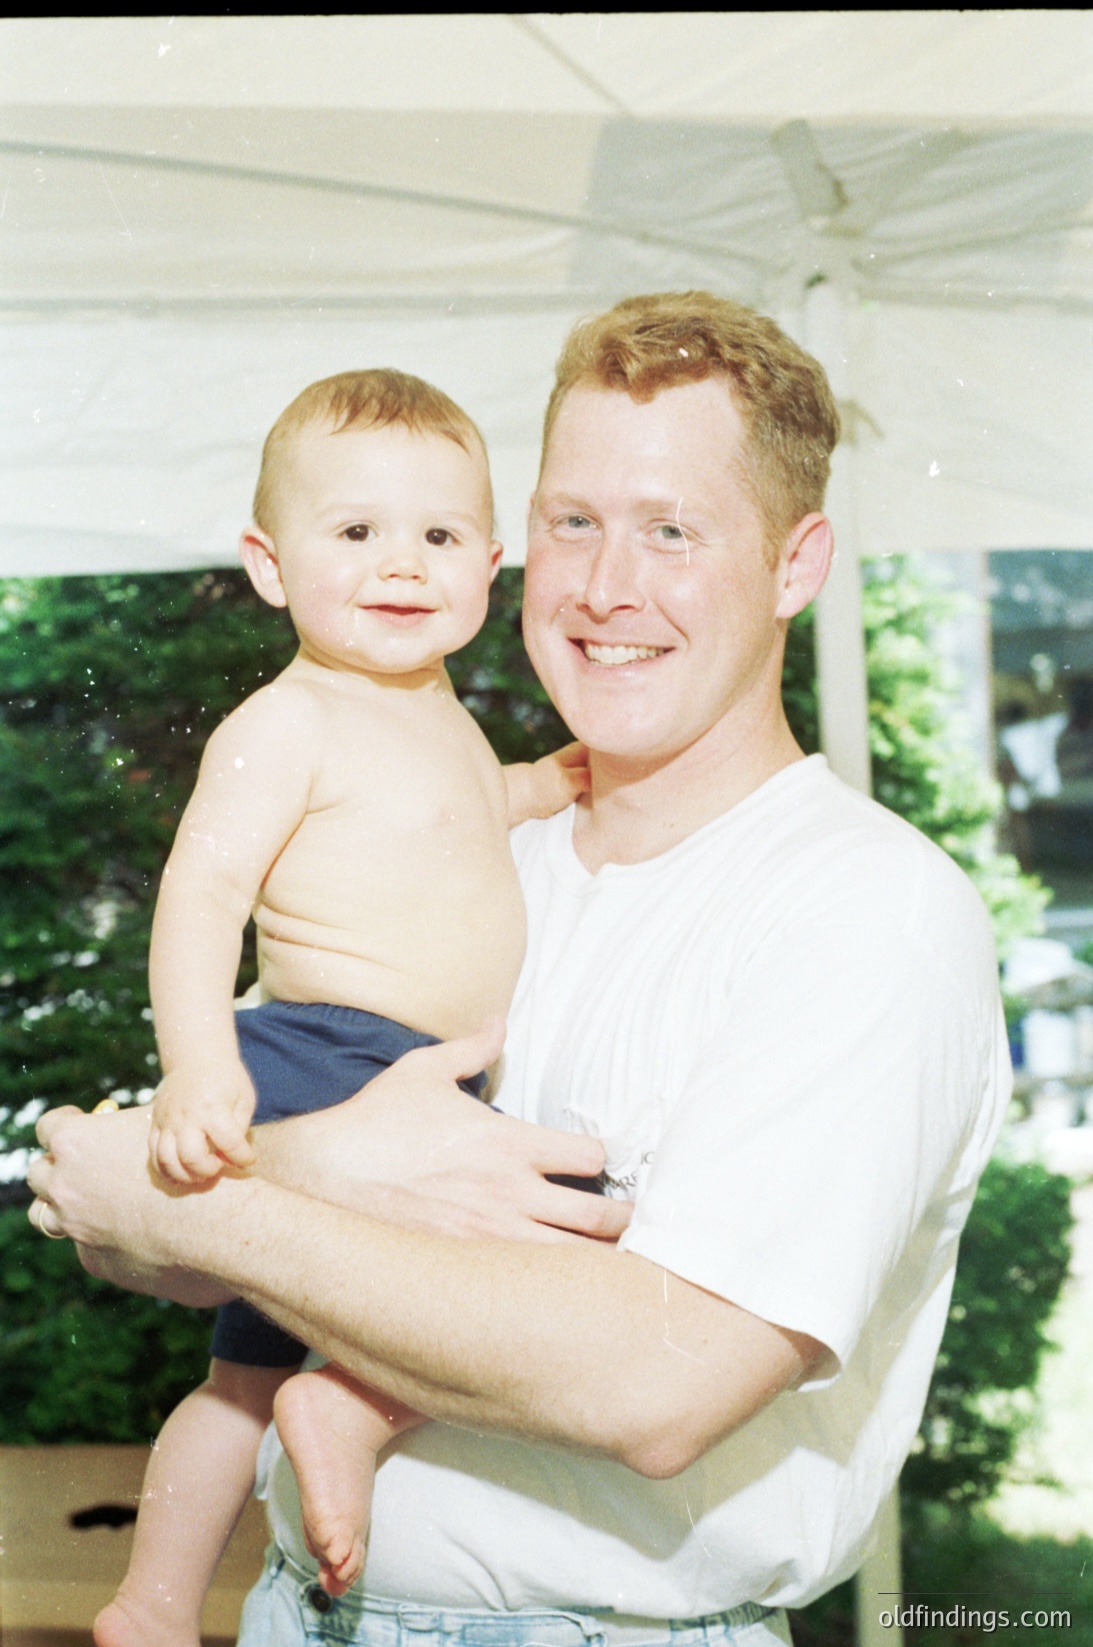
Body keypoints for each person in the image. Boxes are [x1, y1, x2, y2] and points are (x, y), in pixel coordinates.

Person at [29, 291, 1010, 1647]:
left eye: (672, 529)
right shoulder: (474, 853)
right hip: (298, 1606)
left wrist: (217, 1195)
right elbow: (124, 1223)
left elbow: (651, 1386)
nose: (607, 588)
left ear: (795, 563)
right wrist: (293, 1175)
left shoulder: (866, 911)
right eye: (571, 521)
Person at [94, 367, 594, 1647]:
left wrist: (545, 783)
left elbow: (470, 818)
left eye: (437, 536)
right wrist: (200, 1065)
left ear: (490, 566)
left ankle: (163, 1593)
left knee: (252, 1374)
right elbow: (199, 899)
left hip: (413, 1076)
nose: (400, 564)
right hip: (318, 1051)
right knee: (543, 1260)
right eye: (355, 531)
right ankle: (333, 1427)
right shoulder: (288, 719)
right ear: (270, 565)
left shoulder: (444, 715)